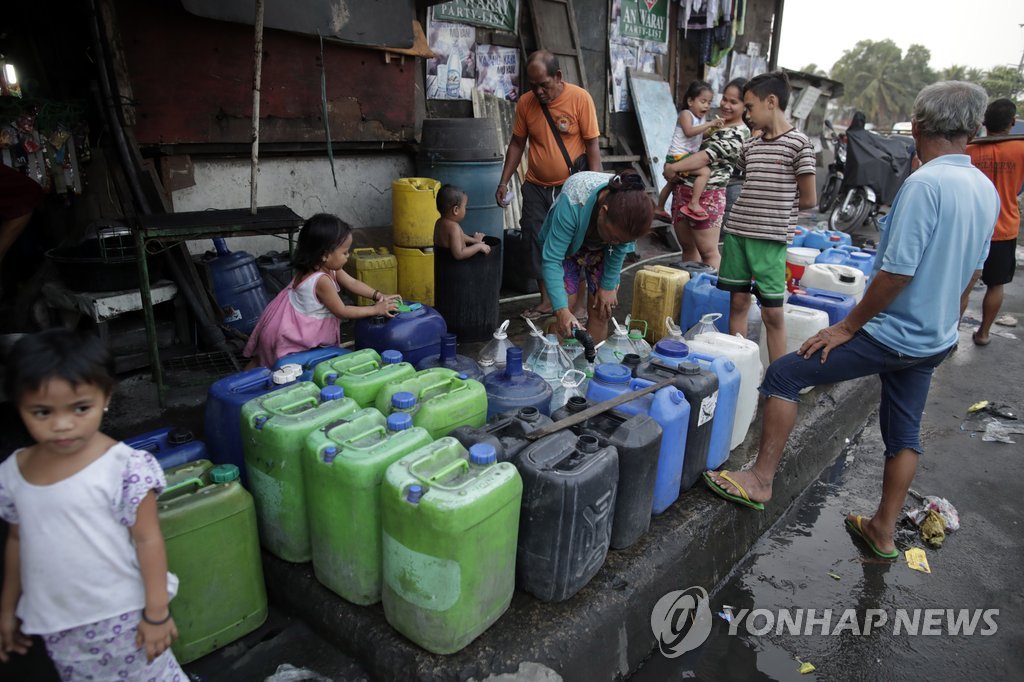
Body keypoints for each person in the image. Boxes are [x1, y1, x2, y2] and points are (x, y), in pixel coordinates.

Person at [704, 82, 999, 561]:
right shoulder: (983, 188)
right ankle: (882, 529)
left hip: (890, 333)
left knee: (784, 373)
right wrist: (951, 321)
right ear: (973, 130)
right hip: (933, 338)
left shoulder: (924, 184)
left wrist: (847, 326)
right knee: (903, 434)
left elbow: (896, 273)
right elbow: (975, 270)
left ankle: (759, 479)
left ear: (918, 127)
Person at [0, 329, 186, 679]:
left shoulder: (125, 468)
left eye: (80, 408)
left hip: (125, 617)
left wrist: (157, 612)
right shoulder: (12, 475)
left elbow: (148, 540)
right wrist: (8, 609)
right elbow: (16, 541)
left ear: (106, 397)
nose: (62, 425)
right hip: (59, 626)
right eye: (41, 412)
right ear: (19, 406)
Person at [716, 71, 817, 363]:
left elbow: (809, 199)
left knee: (773, 313)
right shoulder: (750, 145)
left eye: (749, 107)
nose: (746, 114)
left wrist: (776, 206)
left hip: (770, 240)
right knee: (738, 302)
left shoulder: (799, 144)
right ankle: (739, 367)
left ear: (771, 101)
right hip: (737, 234)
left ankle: (777, 377)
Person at [495, 50, 602, 321]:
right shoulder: (526, 104)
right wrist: (504, 181)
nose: (539, 92)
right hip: (535, 187)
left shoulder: (580, 99)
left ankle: (574, 307)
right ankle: (547, 301)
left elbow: (592, 145)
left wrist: (598, 189)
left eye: (544, 85)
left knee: (571, 246)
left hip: (571, 189)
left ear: (558, 76)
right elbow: (517, 143)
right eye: (533, 86)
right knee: (535, 242)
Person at [244, 213, 400, 368]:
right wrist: (375, 309)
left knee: (260, 362)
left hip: (282, 321)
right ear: (325, 255)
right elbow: (342, 311)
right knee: (280, 370)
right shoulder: (321, 280)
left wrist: (378, 295)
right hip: (289, 333)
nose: (348, 256)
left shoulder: (322, 266)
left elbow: (352, 282)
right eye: (344, 252)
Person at [538, 170, 654, 343]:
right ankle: (555, 359)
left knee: (602, 311)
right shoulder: (573, 202)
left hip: (602, 251)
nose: (616, 242)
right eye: (614, 237)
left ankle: (590, 365)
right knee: (565, 309)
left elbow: (618, 249)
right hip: (568, 248)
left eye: (622, 240)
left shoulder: (628, 219)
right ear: (603, 212)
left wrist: (608, 285)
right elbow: (553, 259)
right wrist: (561, 310)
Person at [661, 78, 751, 269]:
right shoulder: (712, 124)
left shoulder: (739, 132)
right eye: (725, 99)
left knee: (709, 253)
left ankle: (709, 294)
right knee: (687, 248)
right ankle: (689, 292)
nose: (726, 105)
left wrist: (673, 168)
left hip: (707, 196)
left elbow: (706, 156)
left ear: (745, 106)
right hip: (682, 191)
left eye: (733, 102)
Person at [963, 98, 1024, 346]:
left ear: (984, 123)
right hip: (1004, 227)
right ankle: (984, 333)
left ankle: (949, 336)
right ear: (1012, 123)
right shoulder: (1020, 150)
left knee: (964, 284)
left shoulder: (970, 150)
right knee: (995, 285)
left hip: (971, 228)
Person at [655, 80, 723, 223]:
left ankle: (659, 208)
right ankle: (694, 203)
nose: (706, 105)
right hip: (678, 157)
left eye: (709, 102)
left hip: (686, 156)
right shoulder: (685, 114)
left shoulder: (701, 118)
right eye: (703, 101)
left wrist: (711, 130)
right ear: (690, 101)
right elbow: (689, 132)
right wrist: (709, 123)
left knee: (671, 183)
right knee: (705, 172)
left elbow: (701, 135)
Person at [433, 184, 491, 260]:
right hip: (455, 269)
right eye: (465, 207)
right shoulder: (454, 227)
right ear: (456, 210)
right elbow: (459, 254)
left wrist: (474, 240)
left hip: (441, 268)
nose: (465, 210)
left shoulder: (439, 222)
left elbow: (460, 236)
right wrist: (478, 247)